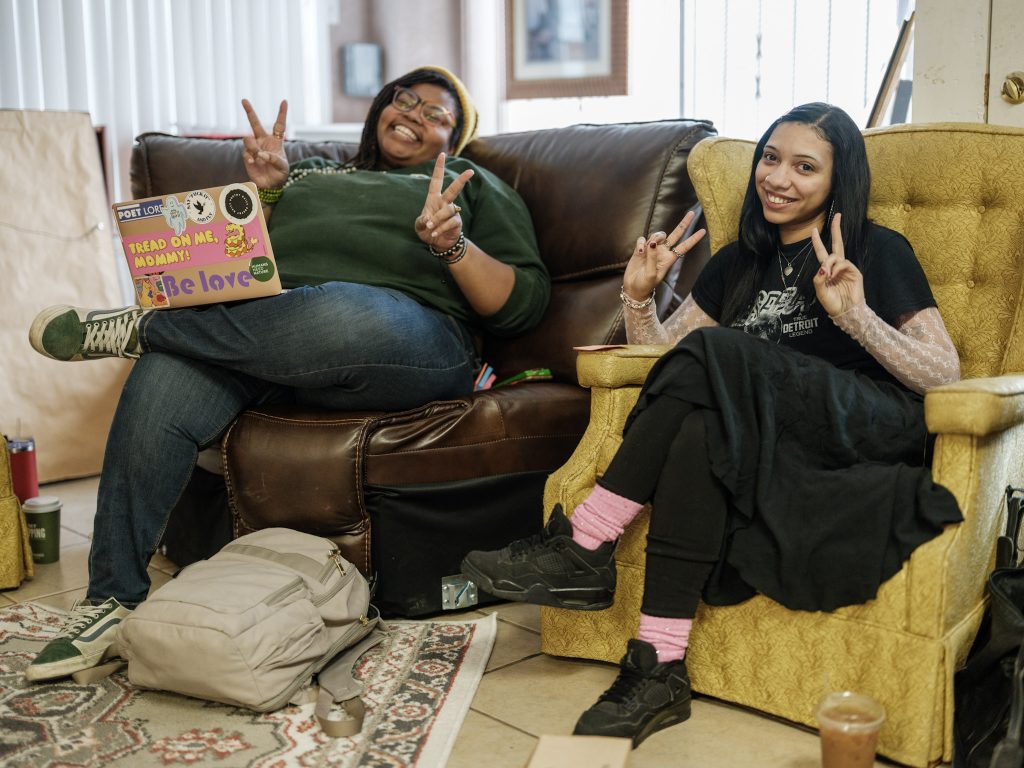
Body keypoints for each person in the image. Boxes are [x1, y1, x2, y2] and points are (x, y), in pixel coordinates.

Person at [461, 102, 963, 747]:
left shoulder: (873, 248)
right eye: (771, 158)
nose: (778, 178)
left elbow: (944, 374)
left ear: (838, 183)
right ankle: (658, 666)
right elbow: (669, 366)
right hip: (773, 432)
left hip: (866, 421)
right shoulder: (736, 264)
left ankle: (586, 542)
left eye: (805, 167)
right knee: (698, 428)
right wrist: (639, 296)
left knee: (717, 354)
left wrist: (857, 316)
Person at [25, 66, 550, 682]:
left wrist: (451, 244)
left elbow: (524, 304)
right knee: (162, 379)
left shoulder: (469, 184)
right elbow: (239, 272)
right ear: (380, 107)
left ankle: (144, 329)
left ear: (454, 140)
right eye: (404, 99)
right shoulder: (308, 175)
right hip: (269, 339)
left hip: (406, 337)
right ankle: (111, 598)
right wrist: (267, 194)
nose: (413, 113)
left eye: (437, 114)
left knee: (342, 309)